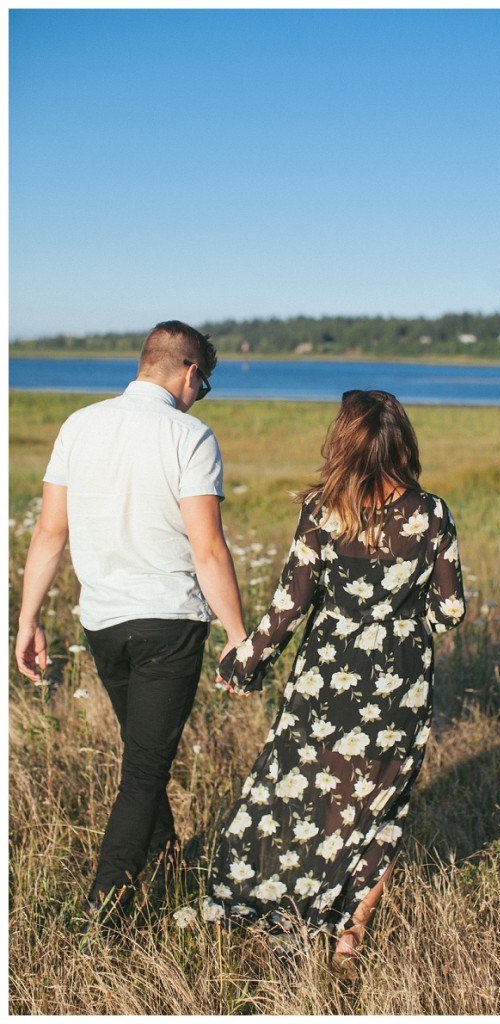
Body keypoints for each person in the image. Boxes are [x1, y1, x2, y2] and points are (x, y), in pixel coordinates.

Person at [207, 389, 465, 978]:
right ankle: (350, 935)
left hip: (325, 680)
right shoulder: (432, 514)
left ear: (344, 441)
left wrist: (244, 663)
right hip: (402, 683)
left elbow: (290, 603)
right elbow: (451, 613)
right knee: (380, 806)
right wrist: (404, 608)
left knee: (309, 798)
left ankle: (289, 918)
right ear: (402, 441)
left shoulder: (323, 510)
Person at [15, 320, 247, 930]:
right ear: (190, 373)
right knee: (144, 768)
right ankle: (105, 910)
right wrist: (238, 635)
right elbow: (209, 549)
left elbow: (49, 532)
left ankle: (166, 855)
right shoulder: (191, 435)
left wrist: (28, 619)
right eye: (206, 385)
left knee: (145, 755)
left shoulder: (78, 425)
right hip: (169, 623)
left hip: (103, 624)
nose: (202, 396)